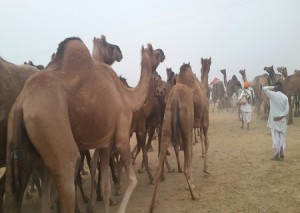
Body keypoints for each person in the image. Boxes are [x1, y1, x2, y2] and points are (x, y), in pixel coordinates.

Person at [263, 82, 289, 160]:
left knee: (275, 138)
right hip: (282, 121)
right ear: (282, 87)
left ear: (276, 87)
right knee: (282, 137)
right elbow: (287, 110)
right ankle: (281, 152)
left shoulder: (272, 95)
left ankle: (277, 154)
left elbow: (264, 88)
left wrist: (273, 87)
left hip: (274, 120)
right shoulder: (285, 97)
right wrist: (281, 117)